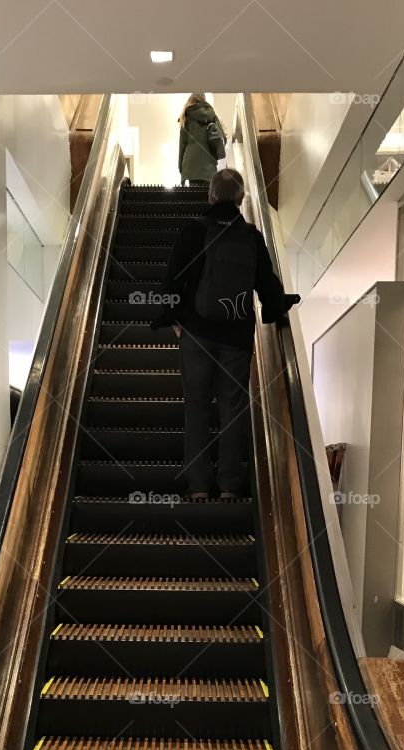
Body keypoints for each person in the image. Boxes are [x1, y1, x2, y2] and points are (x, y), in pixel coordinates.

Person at [154, 168, 299, 499]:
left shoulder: (193, 230)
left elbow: (171, 282)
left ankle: (199, 488)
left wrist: (175, 320)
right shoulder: (250, 236)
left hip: (196, 335)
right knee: (233, 411)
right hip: (236, 339)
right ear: (242, 199)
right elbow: (268, 287)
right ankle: (232, 487)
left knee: (197, 409)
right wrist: (277, 309)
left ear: (210, 197)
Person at [178, 94, 226, 187]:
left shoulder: (186, 117)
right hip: (209, 164)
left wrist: (181, 169)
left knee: (195, 197)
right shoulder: (212, 116)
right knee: (208, 196)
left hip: (191, 165)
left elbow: (182, 145)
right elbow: (222, 137)